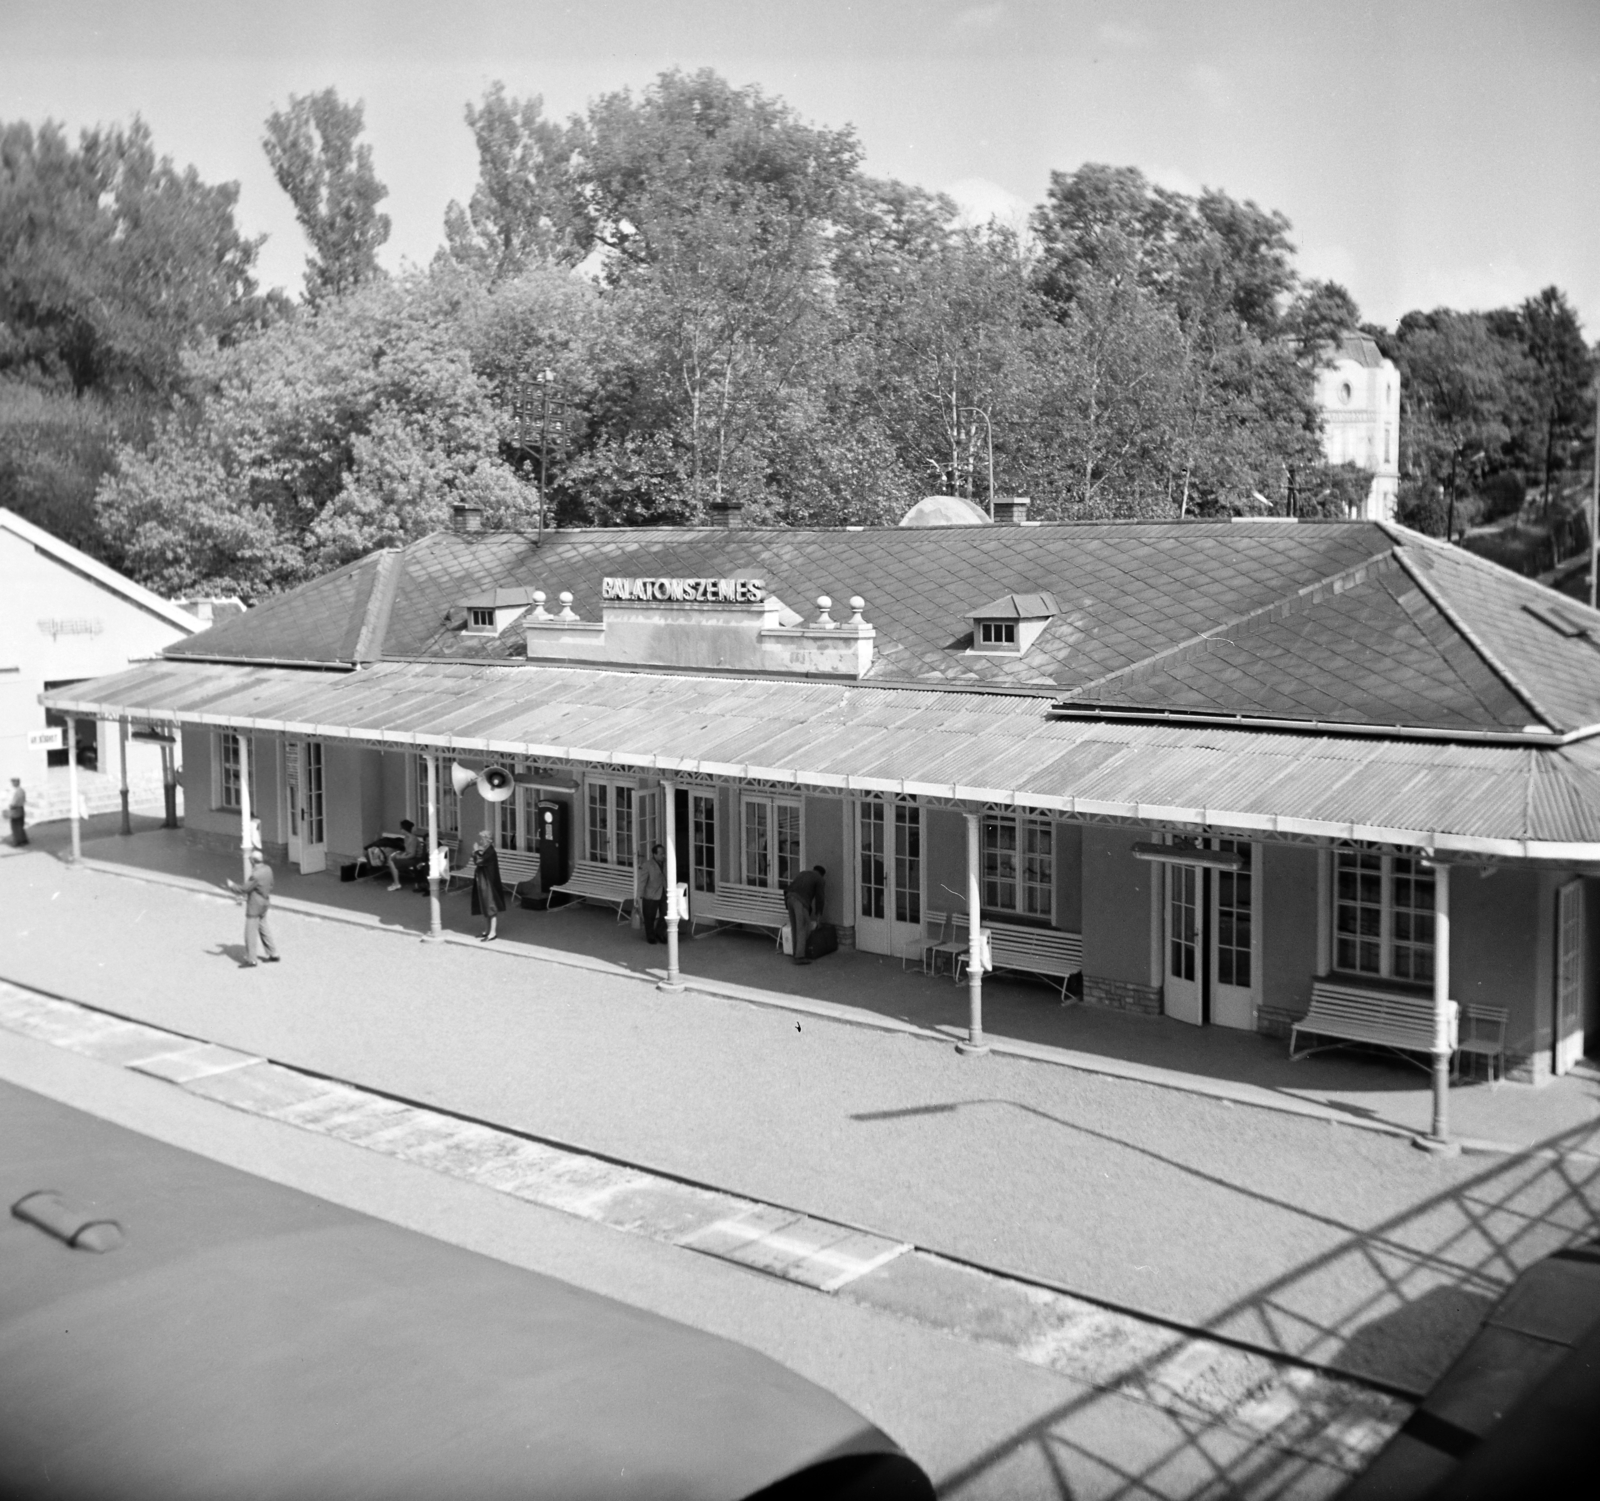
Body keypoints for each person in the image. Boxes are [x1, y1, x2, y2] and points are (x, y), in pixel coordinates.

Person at [226, 851, 280, 968]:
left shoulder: (256, 875)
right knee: (264, 928)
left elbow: (244, 889)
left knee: (250, 933)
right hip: (265, 902)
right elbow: (271, 884)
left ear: (252, 861)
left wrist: (232, 886)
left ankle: (252, 959)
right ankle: (273, 953)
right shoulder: (268, 869)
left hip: (255, 906)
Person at [783, 864, 826, 966]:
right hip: (800, 901)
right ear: (822, 874)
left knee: (795, 927)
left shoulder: (803, 873)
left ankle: (795, 952)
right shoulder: (819, 878)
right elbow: (820, 898)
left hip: (789, 898)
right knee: (804, 926)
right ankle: (799, 956)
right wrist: (819, 915)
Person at [470, 831, 504, 942]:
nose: (480, 841)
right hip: (484, 881)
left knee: (490, 906)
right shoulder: (487, 850)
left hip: (488, 882)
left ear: (487, 840)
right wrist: (477, 852)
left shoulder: (490, 852)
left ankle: (492, 932)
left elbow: (479, 861)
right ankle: (486, 930)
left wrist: (475, 851)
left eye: (482, 839)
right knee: (485, 906)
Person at [384, 819, 427, 890]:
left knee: (392, 861)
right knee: (391, 858)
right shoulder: (406, 838)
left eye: (401, 828)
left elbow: (412, 854)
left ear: (404, 829)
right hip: (410, 857)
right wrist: (401, 855)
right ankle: (396, 882)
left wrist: (401, 857)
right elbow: (407, 851)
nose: (400, 830)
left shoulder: (412, 839)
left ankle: (397, 883)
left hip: (416, 859)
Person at [641, 843, 669, 943]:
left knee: (666, 913)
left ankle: (659, 933)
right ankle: (650, 936)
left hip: (663, 891)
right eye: (661, 854)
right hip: (651, 894)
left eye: (664, 853)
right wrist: (639, 895)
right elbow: (642, 881)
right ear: (655, 854)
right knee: (649, 916)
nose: (663, 856)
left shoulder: (667, 863)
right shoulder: (647, 865)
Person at [7, 778, 26, 847]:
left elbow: (14, 803)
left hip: (16, 809)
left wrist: (10, 806)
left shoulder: (17, 792)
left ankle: (17, 841)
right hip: (21, 808)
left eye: (13, 782)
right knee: (20, 825)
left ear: (16, 782)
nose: (12, 783)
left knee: (15, 826)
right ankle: (24, 839)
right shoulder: (22, 790)